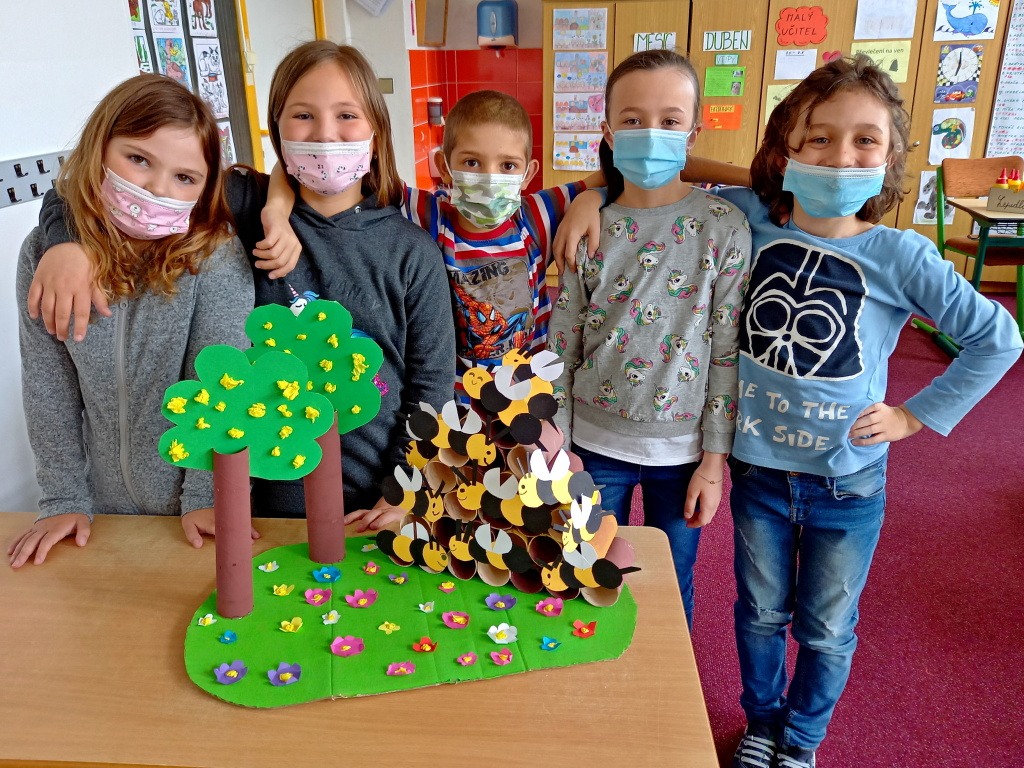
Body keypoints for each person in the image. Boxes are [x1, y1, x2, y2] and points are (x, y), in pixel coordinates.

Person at [555, 54, 1023, 768]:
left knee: (828, 628)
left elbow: (997, 338)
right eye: (819, 139)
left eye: (865, 141)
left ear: (891, 157)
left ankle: (800, 741)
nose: (840, 158)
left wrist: (913, 416)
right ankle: (762, 725)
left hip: (846, 478)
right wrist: (593, 192)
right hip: (759, 472)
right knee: (761, 614)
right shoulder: (751, 216)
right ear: (784, 152)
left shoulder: (897, 254)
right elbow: (664, 168)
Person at [30, 42, 456, 533]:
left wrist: (404, 490)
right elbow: (78, 189)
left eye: (347, 115)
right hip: (249, 508)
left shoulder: (412, 252)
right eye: (303, 116)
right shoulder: (239, 206)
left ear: (377, 133)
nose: (325, 134)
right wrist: (64, 244)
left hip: (372, 509)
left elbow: (431, 386)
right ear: (276, 131)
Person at [8, 74, 256, 568]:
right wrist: (62, 499)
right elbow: (48, 387)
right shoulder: (44, 255)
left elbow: (223, 384)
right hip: (102, 518)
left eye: (185, 177)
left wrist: (207, 496)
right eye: (139, 159)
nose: (157, 189)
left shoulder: (214, 256)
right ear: (100, 147)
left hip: (198, 514)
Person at [548, 49, 751, 630]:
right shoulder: (590, 224)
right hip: (593, 447)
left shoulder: (724, 226)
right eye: (633, 120)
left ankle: (668, 681)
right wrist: (559, 447)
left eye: (670, 120)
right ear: (609, 133)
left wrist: (714, 463)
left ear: (694, 133)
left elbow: (726, 351)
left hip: (683, 455)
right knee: (586, 574)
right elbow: (562, 346)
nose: (652, 132)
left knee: (670, 581)